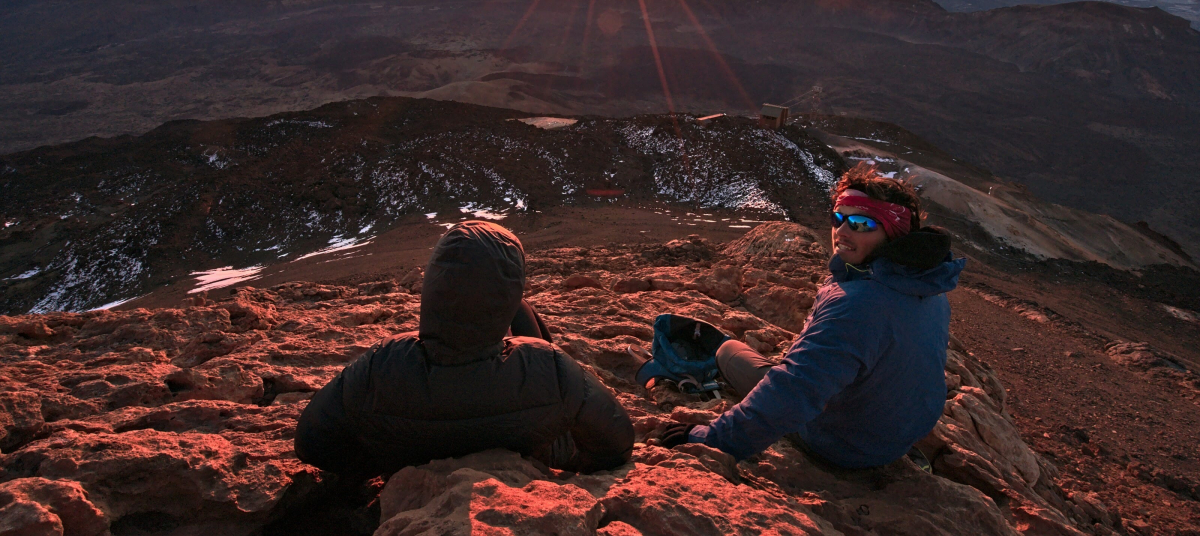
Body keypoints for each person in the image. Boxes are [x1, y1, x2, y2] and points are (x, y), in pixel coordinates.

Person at [659, 162, 964, 469]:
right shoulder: (928, 288)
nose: (841, 231)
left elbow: (792, 392)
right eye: (838, 218)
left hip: (839, 444)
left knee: (728, 352)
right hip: (890, 440)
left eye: (860, 224)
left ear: (893, 233)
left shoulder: (858, 304)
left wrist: (709, 438)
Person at [295, 220, 634, 476]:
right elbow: (616, 446)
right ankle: (510, 301)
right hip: (529, 438)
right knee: (521, 309)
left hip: (406, 449)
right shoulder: (548, 369)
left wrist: (390, 462)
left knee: (516, 307)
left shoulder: (381, 366)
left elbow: (312, 444)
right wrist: (554, 456)